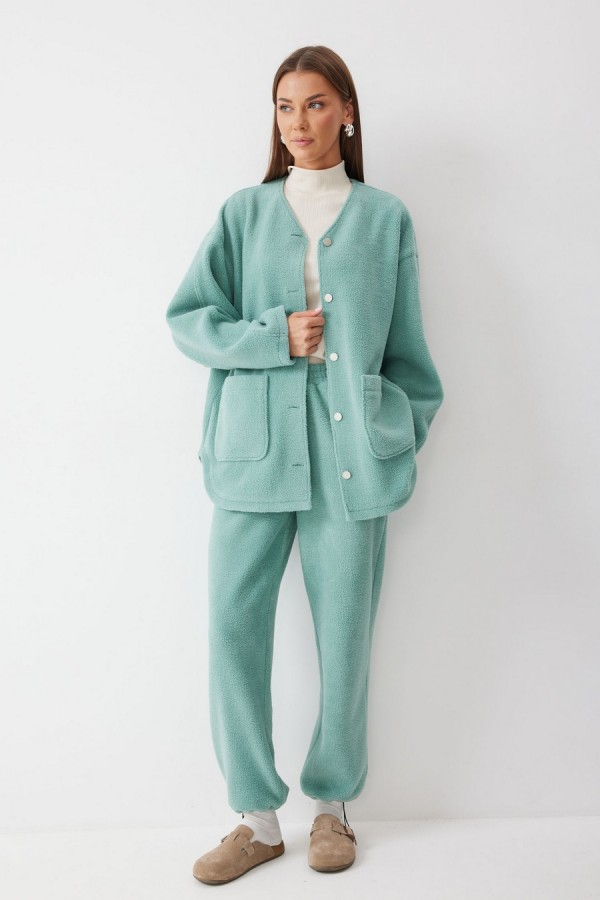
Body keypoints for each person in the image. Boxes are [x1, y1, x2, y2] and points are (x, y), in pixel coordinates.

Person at [165, 44, 444, 885]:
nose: (298, 122)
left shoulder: (385, 219)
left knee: (345, 634)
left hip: (350, 452)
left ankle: (331, 807)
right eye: (285, 106)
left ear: (346, 112)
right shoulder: (243, 213)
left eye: (315, 104)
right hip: (254, 448)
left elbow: (411, 359)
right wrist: (270, 338)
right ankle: (255, 819)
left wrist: (395, 427)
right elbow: (188, 319)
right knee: (232, 627)